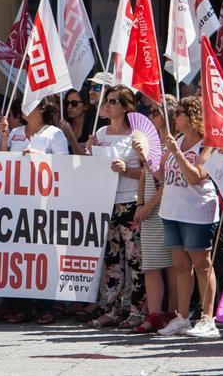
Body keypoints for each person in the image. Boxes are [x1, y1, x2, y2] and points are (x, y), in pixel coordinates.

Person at [0, 95, 68, 324]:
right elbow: (1, 162)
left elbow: (64, 166)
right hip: (16, 203)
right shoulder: (16, 133)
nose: (26, 108)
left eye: (32, 104)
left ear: (43, 109)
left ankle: (47, 305)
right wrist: (3, 138)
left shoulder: (54, 134)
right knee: (17, 255)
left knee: (43, 254)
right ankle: (20, 305)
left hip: (43, 204)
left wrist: (40, 158)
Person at [156, 97, 222, 339]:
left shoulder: (209, 144)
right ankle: (182, 317)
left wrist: (177, 153)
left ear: (193, 116)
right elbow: (162, 175)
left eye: (180, 113)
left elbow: (196, 177)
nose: (175, 117)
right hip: (172, 209)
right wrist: (145, 155)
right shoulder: (179, 140)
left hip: (197, 210)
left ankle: (207, 318)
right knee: (181, 265)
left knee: (202, 264)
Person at [85, 87, 146, 329]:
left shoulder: (136, 136)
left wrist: (126, 170)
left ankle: (137, 311)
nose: (107, 106)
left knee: (134, 260)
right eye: (106, 101)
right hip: (106, 201)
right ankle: (110, 309)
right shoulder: (100, 132)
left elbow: (148, 172)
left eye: (113, 101)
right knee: (111, 260)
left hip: (129, 201)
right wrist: (92, 151)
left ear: (125, 107)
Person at [132, 95, 177, 334]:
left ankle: (170, 312)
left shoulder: (171, 144)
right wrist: (140, 203)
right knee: (151, 264)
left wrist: (148, 206)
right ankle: (155, 313)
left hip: (163, 206)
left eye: (156, 113)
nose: (151, 117)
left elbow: (164, 181)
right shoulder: (153, 143)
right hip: (149, 205)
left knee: (169, 264)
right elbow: (144, 176)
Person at [60, 89, 93, 155]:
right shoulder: (63, 125)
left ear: (85, 106)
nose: (69, 107)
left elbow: (84, 158)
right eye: (67, 103)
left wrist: (70, 135)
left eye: (74, 103)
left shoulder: (93, 127)